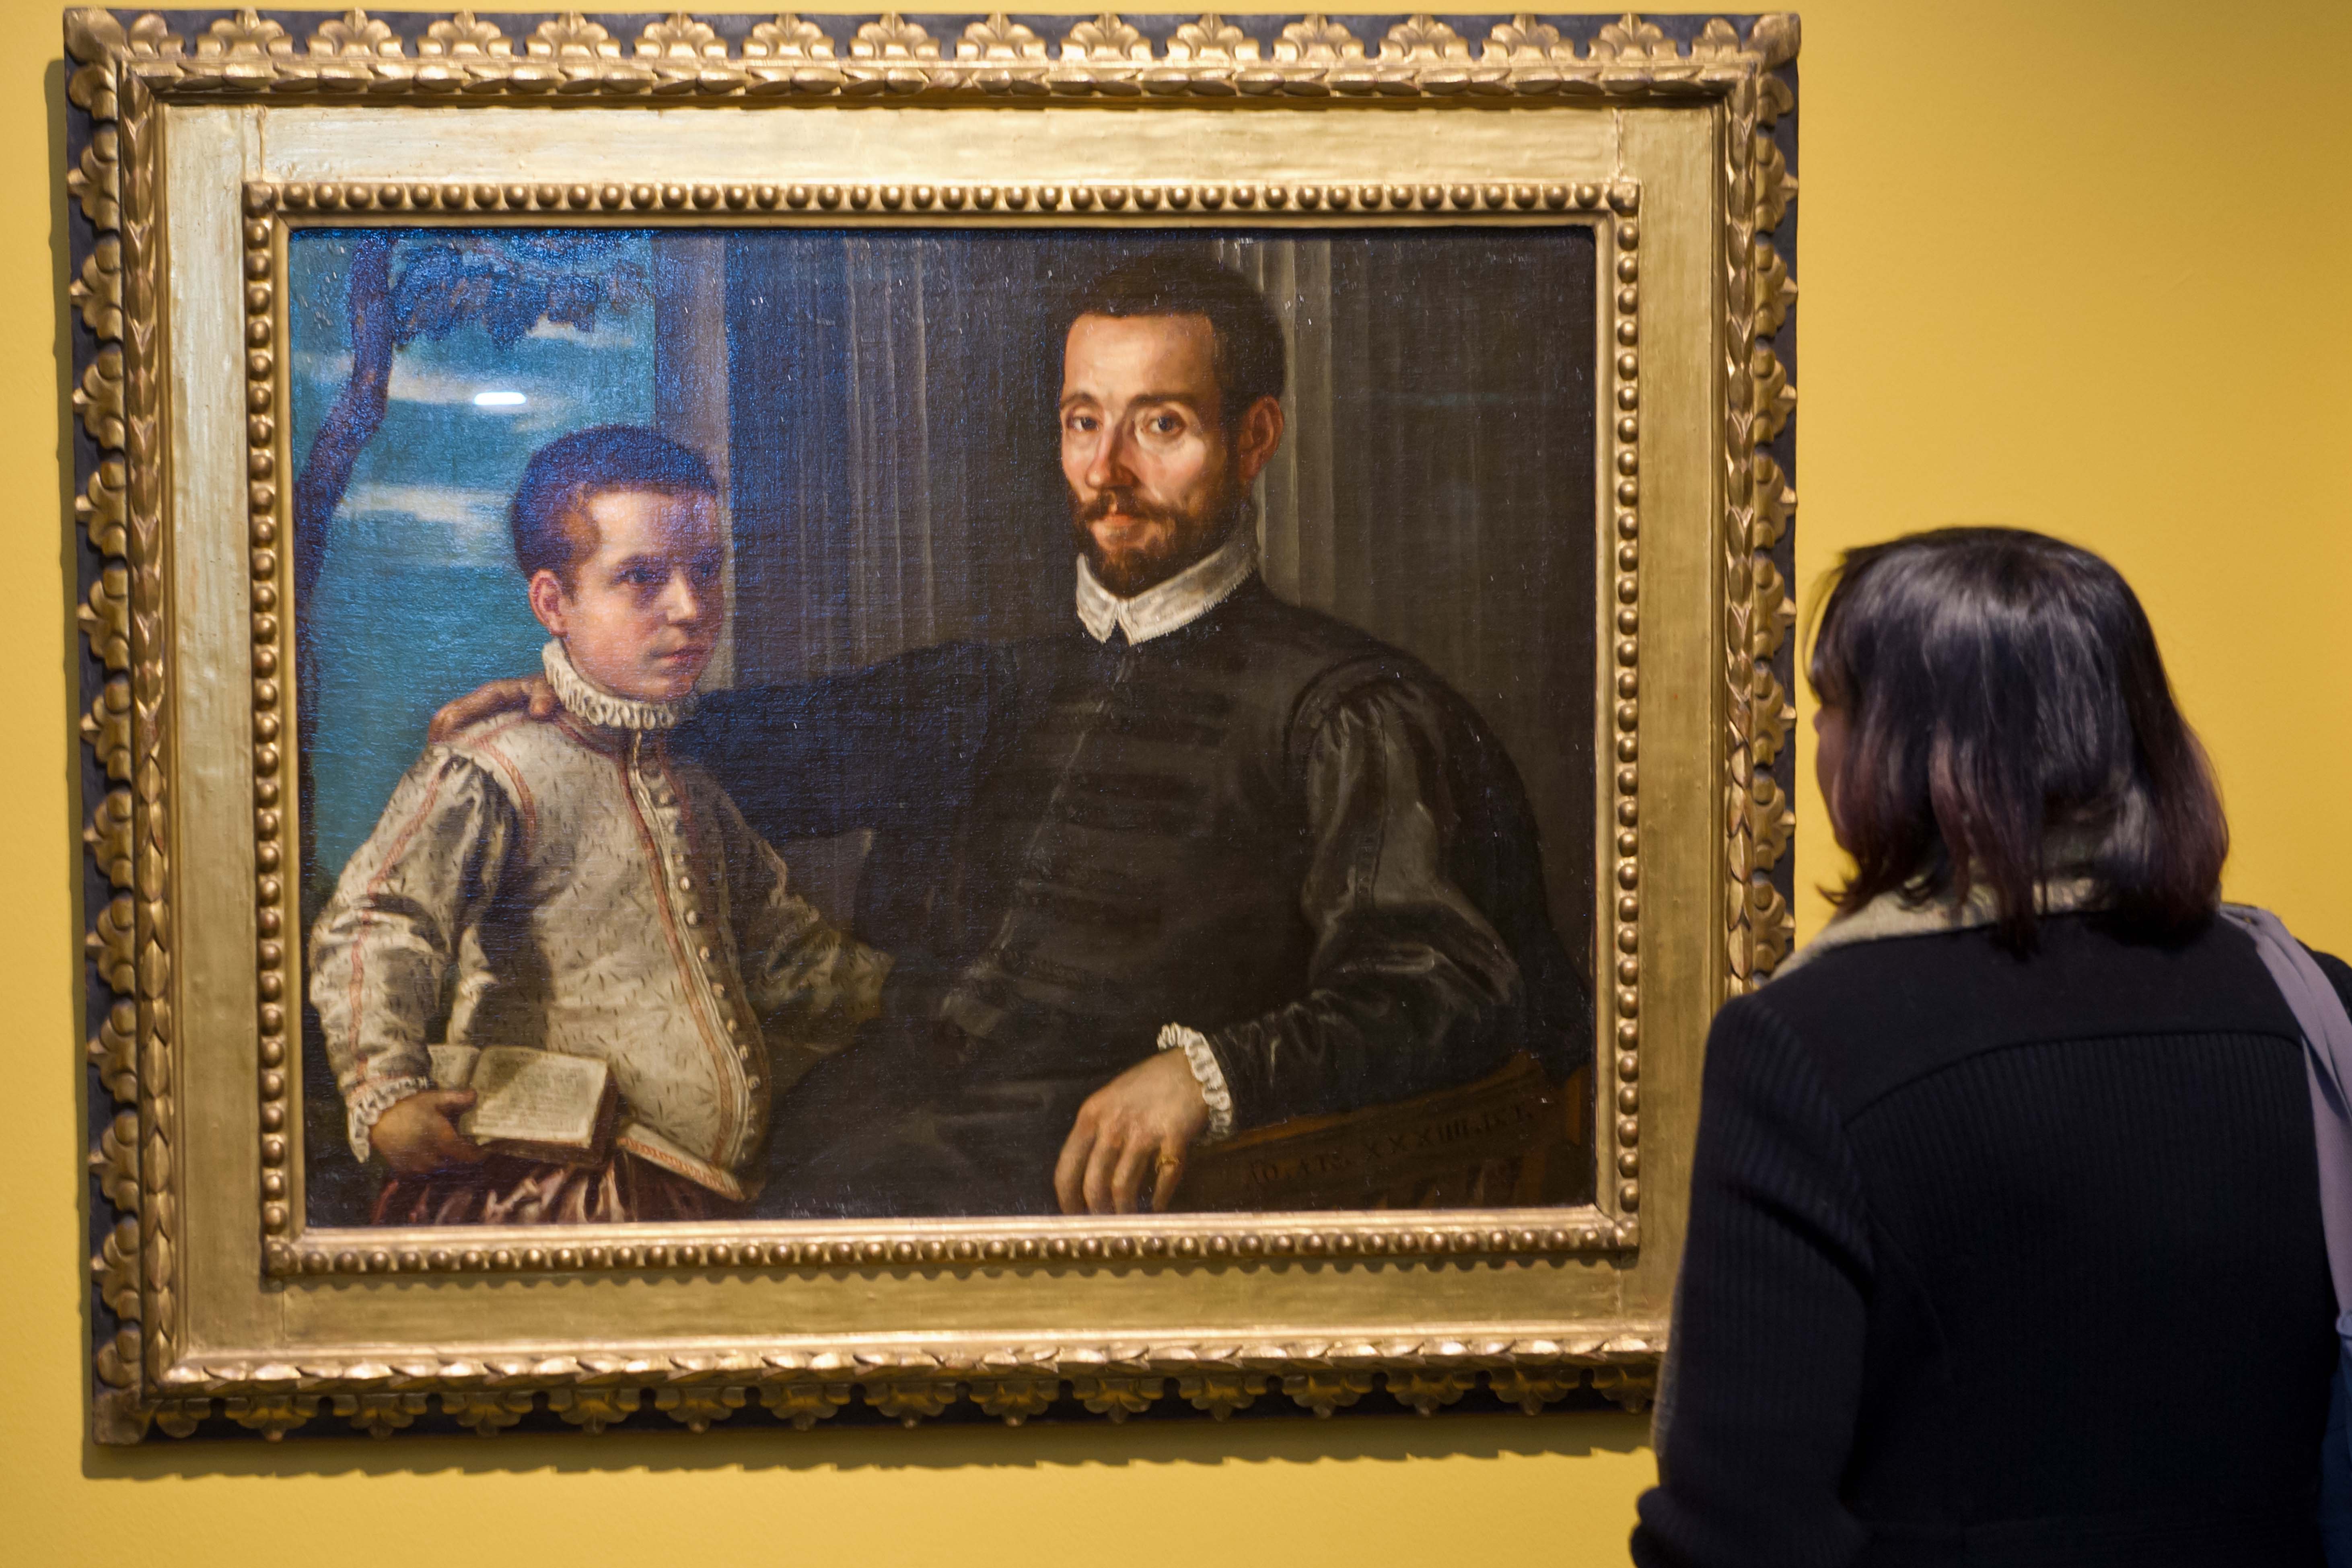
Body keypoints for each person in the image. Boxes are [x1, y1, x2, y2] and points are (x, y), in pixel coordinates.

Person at [430, 253, 1584, 1218]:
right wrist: (570, 709)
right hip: (861, 1125)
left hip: (1084, 1191)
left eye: (1162, 424)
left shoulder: (1346, 709)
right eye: (1084, 422)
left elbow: (1450, 986)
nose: (1108, 470)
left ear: (1255, 436)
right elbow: (747, 749)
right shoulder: (989, 687)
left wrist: (1208, 1073)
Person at [1633, 527, 2346, 1566]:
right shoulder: (2314, 1004)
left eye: (1832, 703)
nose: (1811, 731)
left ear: (1909, 751)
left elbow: (1739, 1527)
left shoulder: (1801, 1045)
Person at [312, 425, 890, 1224]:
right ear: (554, 603)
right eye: (642, 577)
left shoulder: (690, 785)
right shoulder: (496, 766)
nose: (690, 608)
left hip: (695, 1197)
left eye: (706, 569)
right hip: (541, 1196)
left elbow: (788, 952)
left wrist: (920, 1006)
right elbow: (378, 920)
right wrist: (384, 1092)